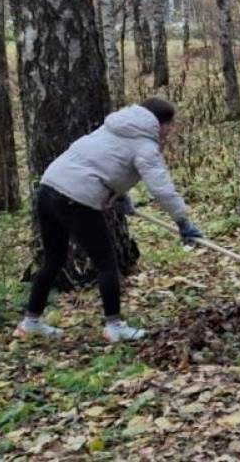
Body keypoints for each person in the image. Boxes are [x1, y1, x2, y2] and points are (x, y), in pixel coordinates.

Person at [14, 97, 201, 343]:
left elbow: (102, 162)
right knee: (107, 263)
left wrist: (118, 196)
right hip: (76, 197)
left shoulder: (115, 127)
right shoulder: (145, 145)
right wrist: (182, 221)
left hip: (49, 188)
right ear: (161, 123)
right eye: (171, 125)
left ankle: (30, 321)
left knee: (53, 260)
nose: (171, 131)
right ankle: (114, 326)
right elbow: (161, 187)